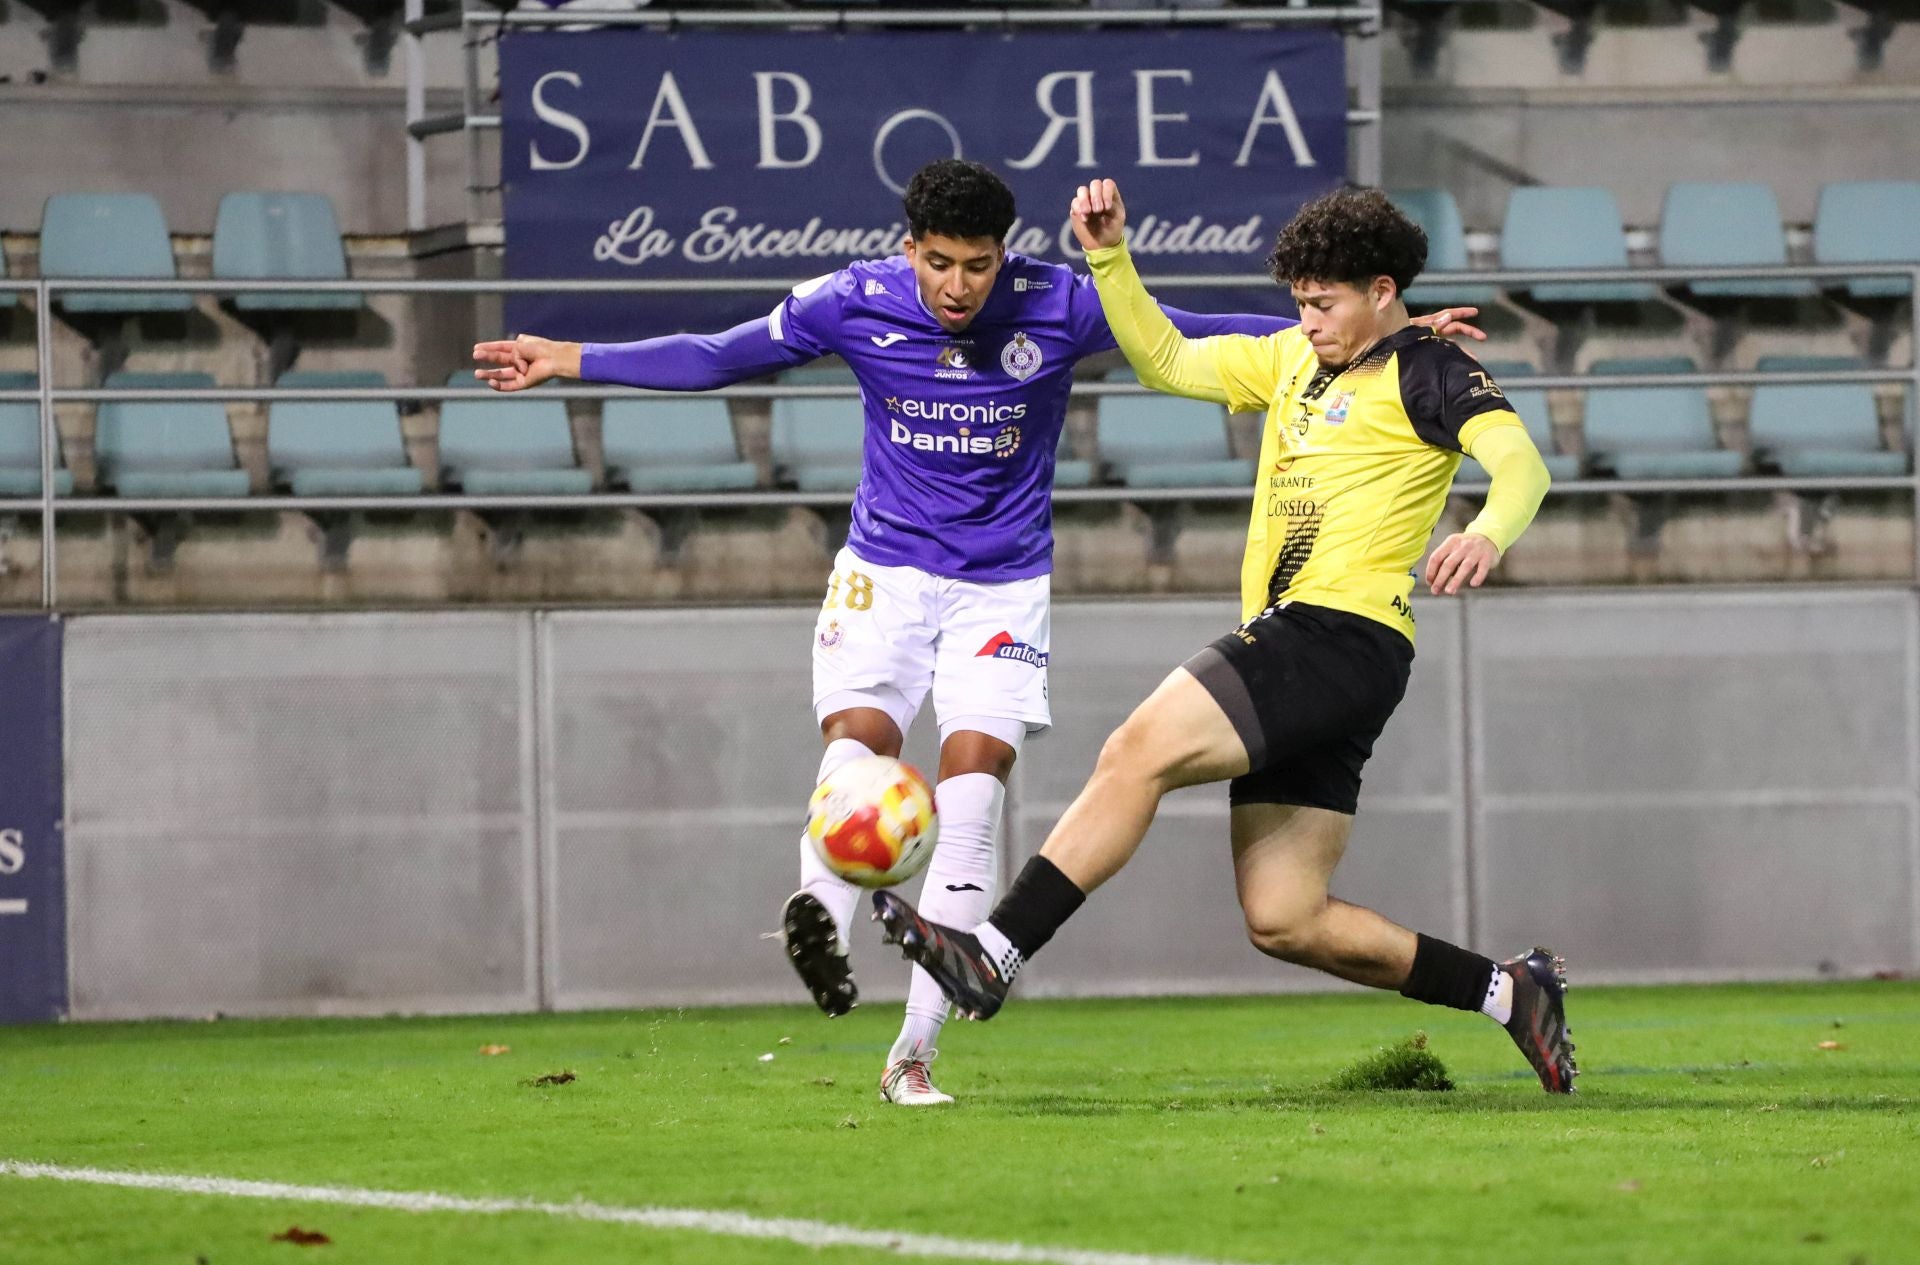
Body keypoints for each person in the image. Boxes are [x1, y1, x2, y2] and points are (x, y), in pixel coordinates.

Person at [473, 161, 1489, 1105]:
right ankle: (821, 914)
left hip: (1001, 589)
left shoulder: (1058, 300)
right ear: (908, 249)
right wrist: (569, 358)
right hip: (884, 571)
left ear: (1005, 253)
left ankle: (913, 1055)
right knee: (861, 746)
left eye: (977, 264)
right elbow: (718, 355)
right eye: (939, 263)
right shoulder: (852, 299)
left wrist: (1384, 338)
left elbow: (1196, 332)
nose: (958, 286)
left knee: (971, 789)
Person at [874, 179, 1577, 1094]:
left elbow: (1522, 464)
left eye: (1325, 304)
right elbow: (1166, 358)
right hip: (1323, 651)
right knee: (1285, 916)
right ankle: (1509, 991)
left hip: (1337, 630)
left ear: (1382, 291)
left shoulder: (1430, 369)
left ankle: (993, 953)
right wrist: (1109, 257)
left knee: (1136, 752)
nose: (1309, 321)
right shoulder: (1290, 358)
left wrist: (1486, 531)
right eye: (1301, 303)